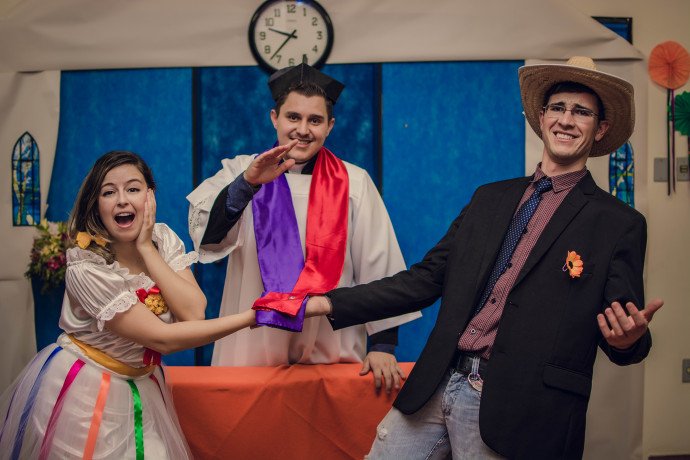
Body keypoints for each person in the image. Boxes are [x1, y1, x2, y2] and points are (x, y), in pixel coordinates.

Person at [305, 56, 664, 459]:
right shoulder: (489, 198)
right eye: (558, 108)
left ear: (600, 129)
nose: (566, 120)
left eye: (581, 112)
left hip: (520, 411)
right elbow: (424, 280)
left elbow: (624, 324)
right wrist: (326, 303)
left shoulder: (618, 224)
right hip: (436, 383)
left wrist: (628, 341)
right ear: (542, 117)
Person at [0, 151, 256, 459]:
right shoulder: (86, 266)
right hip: (87, 390)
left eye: (133, 189)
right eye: (109, 192)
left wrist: (147, 249)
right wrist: (252, 317)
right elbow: (163, 339)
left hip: (141, 384)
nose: (122, 200)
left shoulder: (162, 239)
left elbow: (193, 313)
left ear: (150, 196)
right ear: (96, 204)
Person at [187, 63, 421, 392]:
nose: (302, 129)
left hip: (330, 351)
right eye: (293, 117)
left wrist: (383, 345)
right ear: (275, 118)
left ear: (330, 126)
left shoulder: (354, 182)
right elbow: (208, 237)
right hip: (253, 350)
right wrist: (248, 184)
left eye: (315, 120)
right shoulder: (241, 171)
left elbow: (379, 264)